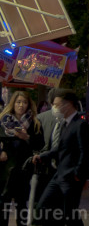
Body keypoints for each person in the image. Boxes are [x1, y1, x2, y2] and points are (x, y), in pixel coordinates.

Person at [32, 90, 89, 226]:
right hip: (59, 175)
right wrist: (42, 156)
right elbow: (59, 147)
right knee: (42, 207)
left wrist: (79, 174)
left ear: (69, 104)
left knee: (70, 215)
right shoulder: (65, 124)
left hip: (71, 177)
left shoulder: (80, 125)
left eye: (57, 105)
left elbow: (85, 152)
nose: (55, 108)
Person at [0, 90, 45, 226]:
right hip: (5, 169)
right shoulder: (4, 120)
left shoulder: (35, 123)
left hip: (24, 169)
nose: (21, 105)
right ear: (13, 104)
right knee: (3, 203)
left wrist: (27, 138)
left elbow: (40, 145)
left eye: (24, 102)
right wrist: (1, 150)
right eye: (18, 102)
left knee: (22, 204)